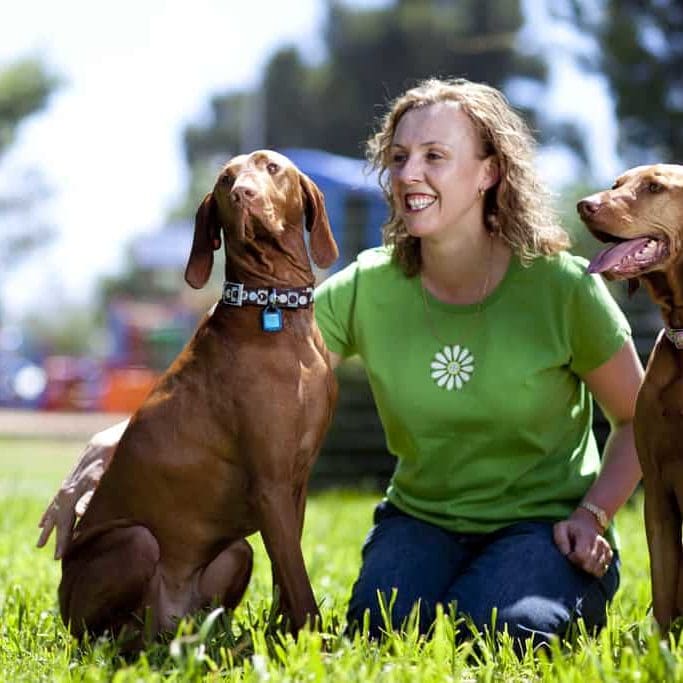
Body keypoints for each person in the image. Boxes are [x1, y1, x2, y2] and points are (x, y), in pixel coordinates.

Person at [37, 77, 643, 649]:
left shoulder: (563, 289)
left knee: (502, 631)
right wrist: (115, 439)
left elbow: (639, 421)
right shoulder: (368, 288)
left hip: (543, 523)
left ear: (489, 172)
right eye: (400, 156)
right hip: (422, 521)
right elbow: (236, 377)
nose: (410, 174)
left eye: (435, 156)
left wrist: (595, 513)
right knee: (382, 628)